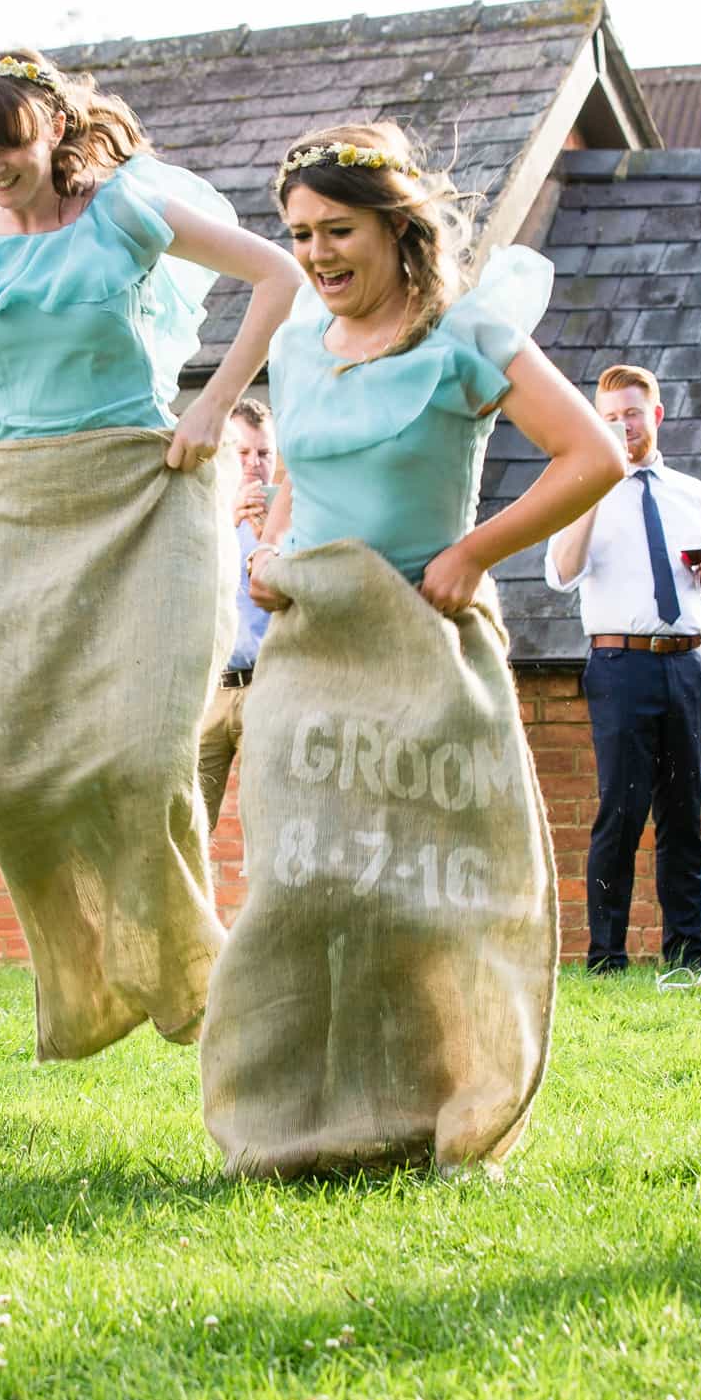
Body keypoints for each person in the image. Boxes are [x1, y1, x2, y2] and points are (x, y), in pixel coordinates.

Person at [200, 122, 621, 1177]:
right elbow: (293, 470)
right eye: (298, 236)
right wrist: (272, 543)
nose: (317, 255)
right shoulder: (296, 338)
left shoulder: (465, 339)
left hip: (426, 647)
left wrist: (475, 552)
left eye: (337, 231)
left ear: (397, 227)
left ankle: (442, 1104)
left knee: (425, 891)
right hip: (312, 645)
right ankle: (288, 1114)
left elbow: (593, 454)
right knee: (304, 883)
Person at [0, 47, 300, 1060]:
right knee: (15, 786)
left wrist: (214, 408)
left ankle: (198, 988)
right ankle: (109, 986)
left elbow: (279, 274)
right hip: (23, 499)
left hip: (147, 490)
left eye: (7, 145)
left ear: (52, 128)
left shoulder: (125, 211)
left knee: (139, 763)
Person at [544, 362, 701, 973]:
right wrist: (595, 485)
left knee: (684, 815)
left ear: (657, 416)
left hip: (688, 665)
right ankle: (606, 957)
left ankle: (686, 956)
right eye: (610, 418)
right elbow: (562, 572)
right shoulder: (581, 490)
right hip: (620, 665)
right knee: (620, 813)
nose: (623, 426)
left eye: (632, 415)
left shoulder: (693, 495)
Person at [195, 399, 278, 838]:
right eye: (243, 453)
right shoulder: (203, 511)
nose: (254, 465)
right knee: (189, 826)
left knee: (271, 827)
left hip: (269, 688)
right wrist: (229, 526)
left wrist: (271, 541)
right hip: (210, 693)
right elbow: (187, 586)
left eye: (264, 454)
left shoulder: (293, 518)